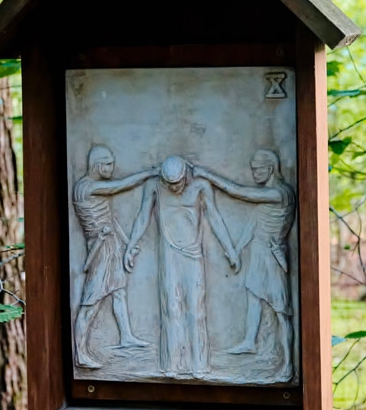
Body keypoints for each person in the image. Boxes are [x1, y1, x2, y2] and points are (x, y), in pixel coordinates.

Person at [124, 155, 239, 379]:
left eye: (177, 183)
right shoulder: (155, 186)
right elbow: (142, 217)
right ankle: (171, 365)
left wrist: (230, 249)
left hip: (193, 254)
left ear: (185, 174)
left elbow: (214, 218)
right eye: (169, 184)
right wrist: (131, 245)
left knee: (195, 310)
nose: (174, 187)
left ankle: (199, 365)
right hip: (168, 255)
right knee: (171, 309)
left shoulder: (200, 186)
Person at [193, 149, 296, 382]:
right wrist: (236, 251)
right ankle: (250, 341)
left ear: (270, 169)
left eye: (258, 169)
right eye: (252, 168)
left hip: (272, 255)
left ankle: (288, 365)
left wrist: (208, 175)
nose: (254, 173)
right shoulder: (266, 194)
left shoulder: (278, 194)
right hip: (258, 253)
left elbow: (239, 192)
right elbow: (253, 224)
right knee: (253, 298)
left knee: (280, 310)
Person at [72, 145, 157, 369]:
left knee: (118, 291)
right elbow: (119, 186)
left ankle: (126, 336)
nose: (112, 168)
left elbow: (110, 220)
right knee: (91, 302)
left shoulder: (95, 188)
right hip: (99, 250)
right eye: (107, 164)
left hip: (111, 245)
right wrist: (148, 173)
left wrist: (128, 243)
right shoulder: (86, 187)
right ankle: (80, 353)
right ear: (96, 165)